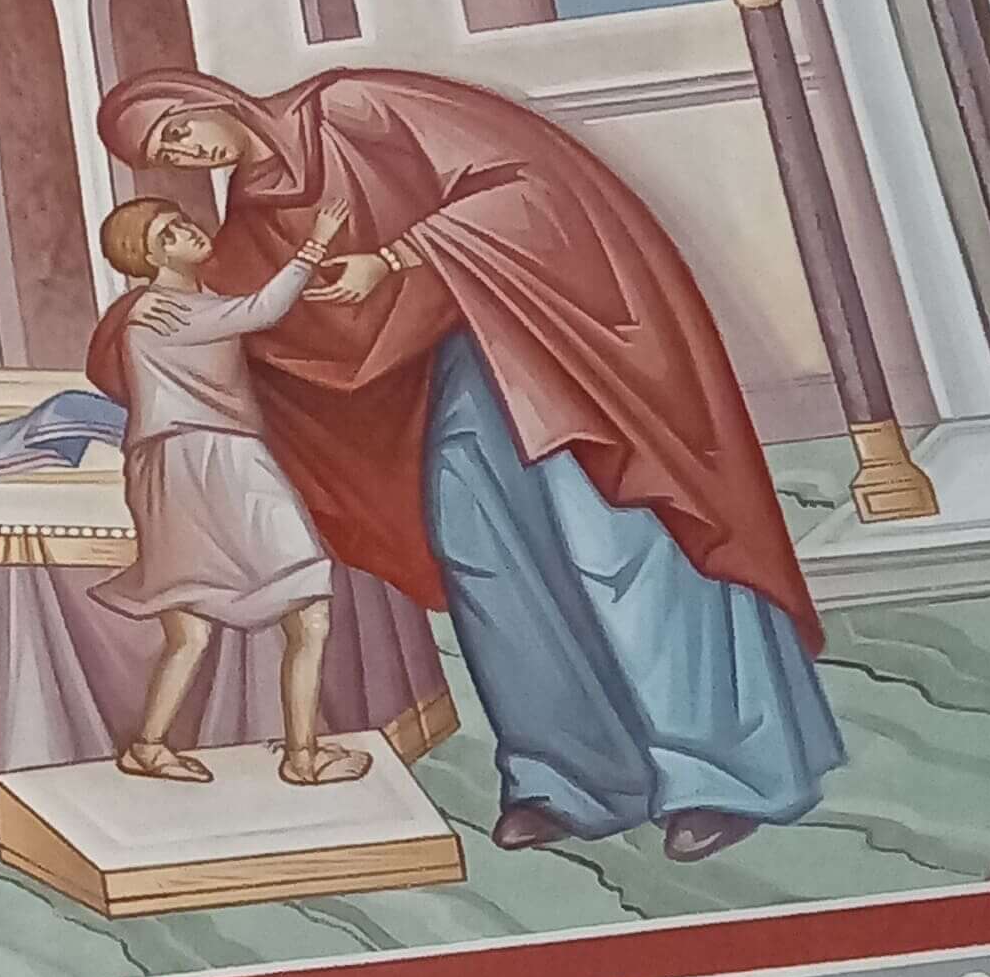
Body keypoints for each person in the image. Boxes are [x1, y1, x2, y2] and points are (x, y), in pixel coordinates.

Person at [102, 63, 839, 859]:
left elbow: (527, 183)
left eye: (178, 128)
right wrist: (136, 337)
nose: (187, 153)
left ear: (208, 97)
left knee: (616, 543)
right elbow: (244, 317)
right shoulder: (252, 216)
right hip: (455, 370)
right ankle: (572, 778)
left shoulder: (351, 109)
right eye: (166, 154)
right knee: (483, 552)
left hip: (546, 335)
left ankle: (721, 774)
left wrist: (397, 257)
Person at [89, 199, 367, 788]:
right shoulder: (163, 312)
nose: (189, 231)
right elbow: (262, 309)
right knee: (308, 608)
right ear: (151, 256)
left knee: (192, 627)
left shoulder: (172, 305)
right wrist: (316, 242)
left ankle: (149, 746)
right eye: (169, 233)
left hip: (181, 463)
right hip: (211, 460)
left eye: (181, 221)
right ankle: (301, 757)